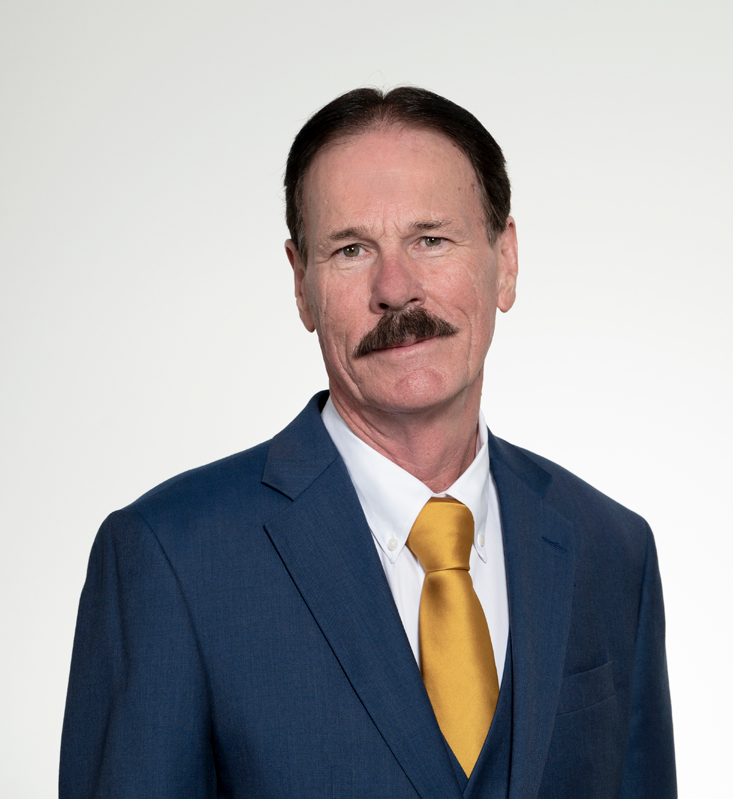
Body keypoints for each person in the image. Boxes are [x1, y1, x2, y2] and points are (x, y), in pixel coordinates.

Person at [60, 87, 677, 799]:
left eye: (430, 239)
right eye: (351, 249)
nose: (396, 289)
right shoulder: (170, 557)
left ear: (504, 260)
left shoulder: (610, 548)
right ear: (301, 285)